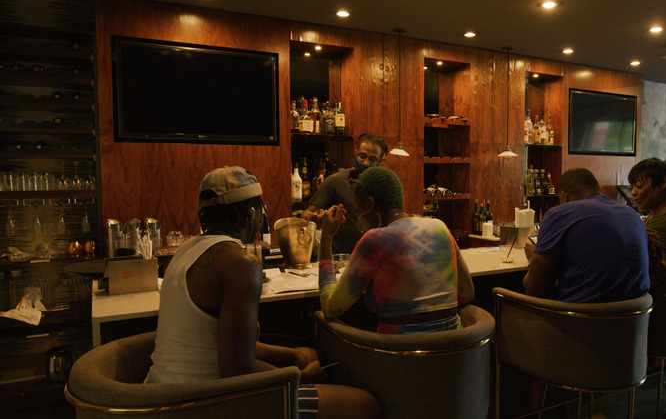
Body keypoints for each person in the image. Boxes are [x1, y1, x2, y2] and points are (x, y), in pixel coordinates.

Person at [146, 166, 379, 419]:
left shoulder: (186, 250)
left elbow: (227, 344)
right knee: (365, 405)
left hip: (160, 394)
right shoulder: (241, 263)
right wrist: (301, 376)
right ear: (251, 211)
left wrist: (293, 355)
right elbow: (237, 369)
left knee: (307, 355)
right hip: (208, 402)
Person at [318, 166, 475, 334]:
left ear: (370, 204)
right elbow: (467, 293)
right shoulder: (440, 227)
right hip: (453, 350)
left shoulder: (375, 239)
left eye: (357, 210)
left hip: (398, 355)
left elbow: (330, 307)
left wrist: (326, 236)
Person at [523, 167, 650, 302]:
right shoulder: (633, 214)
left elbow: (536, 290)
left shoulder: (560, 214)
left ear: (564, 196)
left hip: (579, 317)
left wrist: (534, 258)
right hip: (633, 317)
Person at [302, 133, 387, 254]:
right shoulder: (335, 181)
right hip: (340, 258)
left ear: (380, 160)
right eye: (362, 156)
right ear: (355, 151)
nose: (365, 163)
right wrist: (313, 217)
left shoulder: (384, 185)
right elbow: (305, 214)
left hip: (374, 257)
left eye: (372, 159)